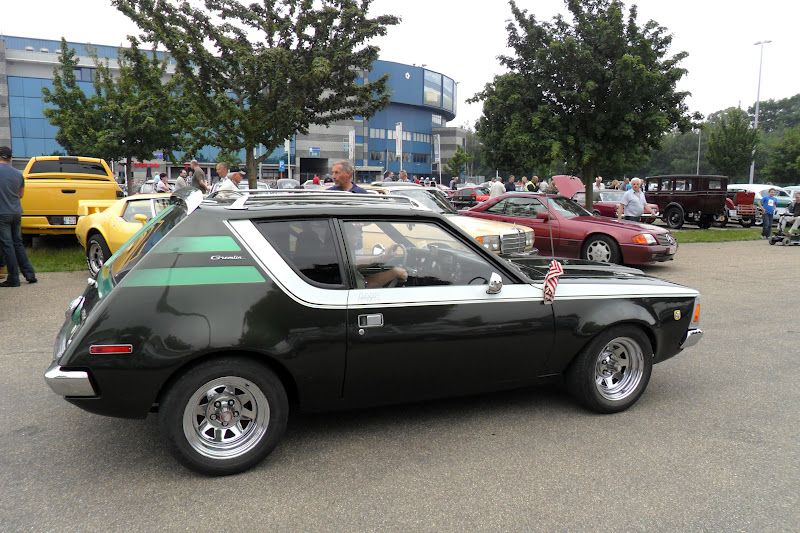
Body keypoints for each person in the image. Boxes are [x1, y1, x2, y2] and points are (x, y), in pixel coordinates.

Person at [0, 146, 37, 287]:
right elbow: (21, 195)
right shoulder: (18, 174)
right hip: (16, 212)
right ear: (10, 158)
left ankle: (13, 278)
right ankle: (29, 274)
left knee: (7, 245)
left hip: (2, 213)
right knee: (17, 243)